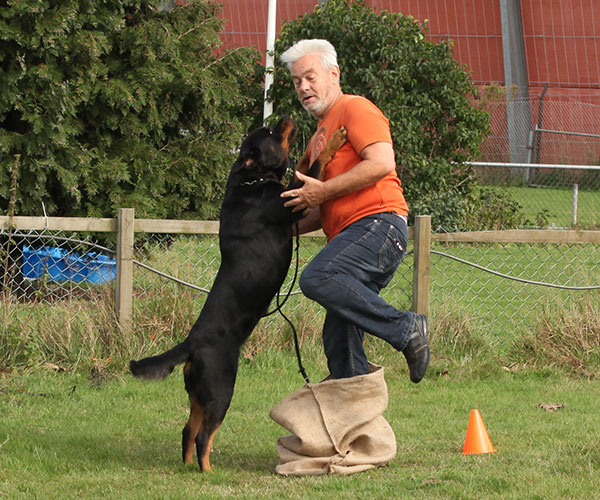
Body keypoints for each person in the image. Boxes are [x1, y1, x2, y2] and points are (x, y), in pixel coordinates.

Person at [279, 39, 430, 382]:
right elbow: (321, 205)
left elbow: (381, 163)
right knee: (339, 339)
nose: (303, 87)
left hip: (379, 226)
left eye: (310, 77)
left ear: (334, 74)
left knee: (318, 277)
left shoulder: (355, 108)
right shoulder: (320, 133)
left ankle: (407, 329)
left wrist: (321, 191)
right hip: (352, 234)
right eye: (296, 81)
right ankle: (353, 428)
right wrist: (276, 229)